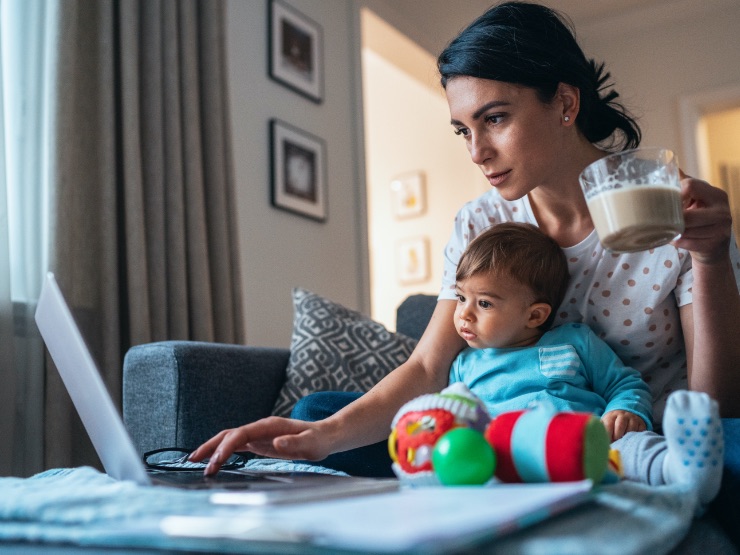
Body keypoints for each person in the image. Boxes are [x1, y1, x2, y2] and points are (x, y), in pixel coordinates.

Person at [189, 1, 740, 481]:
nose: (476, 151)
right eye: (463, 130)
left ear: (566, 105)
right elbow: (429, 369)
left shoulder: (670, 207)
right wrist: (318, 434)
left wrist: (712, 258)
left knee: (732, 448)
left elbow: (716, 408)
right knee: (318, 412)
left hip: (639, 445)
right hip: (499, 438)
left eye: (494, 118)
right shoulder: (480, 222)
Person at [445, 222, 722, 503]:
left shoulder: (574, 341)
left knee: (632, 449)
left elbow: (624, 383)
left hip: (590, 446)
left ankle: (682, 471)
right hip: (514, 458)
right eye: (461, 297)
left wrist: (626, 410)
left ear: (535, 316)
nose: (464, 314)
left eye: (484, 304)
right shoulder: (464, 366)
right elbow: (454, 417)